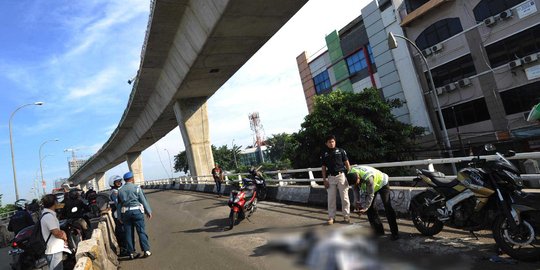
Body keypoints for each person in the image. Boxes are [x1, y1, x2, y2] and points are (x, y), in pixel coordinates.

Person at [346, 165, 400, 240]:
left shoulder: (368, 178)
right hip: (371, 187)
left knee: (387, 206)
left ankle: (395, 233)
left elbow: (370, 195)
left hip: (382, 183)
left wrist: (365, 207)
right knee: (371, 209)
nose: (357, 185)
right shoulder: (351, 175)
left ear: (358, 177)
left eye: (357, 183)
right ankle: (378, 232)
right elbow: (355, 190)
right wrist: (356, 202)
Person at [117, 171, 153, 259]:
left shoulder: (120, 190)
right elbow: (143, 200)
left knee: (128, 233)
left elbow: (119, 205)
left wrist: (119, 217)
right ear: (132, 178)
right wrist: (148, 211)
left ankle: (131, 253)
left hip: (126, 213)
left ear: (125, 180)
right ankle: (146, 251)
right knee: (141, 231)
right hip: (137, 212)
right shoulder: (137, 188)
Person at [321, 135, 351, 225]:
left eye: (333, 141)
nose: (331, 143)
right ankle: (331, 217)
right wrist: (324, 180)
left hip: (341, 176)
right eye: (329, 142)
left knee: (345, 198)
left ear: (335, 142)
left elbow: (347, 164)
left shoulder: (341, 151)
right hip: (330, 178)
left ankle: (346, 216)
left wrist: (349, 176)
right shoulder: (324, 154)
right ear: (326, 143)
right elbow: (323, 167)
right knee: (331, 199)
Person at [41, 194, 68, 270]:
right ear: (54, 203)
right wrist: (64, 237)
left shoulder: (48, 215)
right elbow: (56, 233)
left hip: (54, 249)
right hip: (53, 250)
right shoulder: (48, 216)